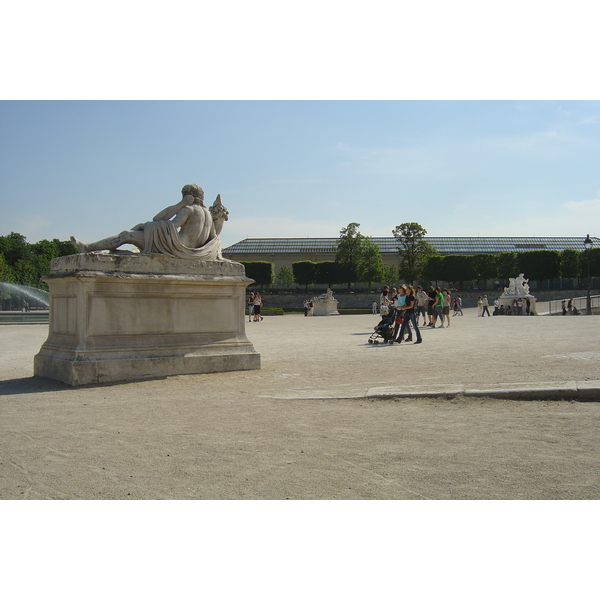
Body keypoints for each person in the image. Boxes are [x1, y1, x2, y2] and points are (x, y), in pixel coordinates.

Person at [71, 184, 225, 260]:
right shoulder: (208, 216)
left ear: (187, 196)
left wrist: (180, 204)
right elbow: (213, 238)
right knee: (138, 231)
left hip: (172, 247)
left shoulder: (188, 210)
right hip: (187, 250)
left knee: (126, 235)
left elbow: (163, 222)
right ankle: (121, 251)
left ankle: (87, 247)